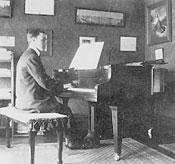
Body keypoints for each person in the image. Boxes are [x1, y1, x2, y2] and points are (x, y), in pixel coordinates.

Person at [15, 29, 76, 133]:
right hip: (32, 103)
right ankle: (72, 141)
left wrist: (56, 85)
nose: (46, 42)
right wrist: (64, 86)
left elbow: (42, 81)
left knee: (59, 105)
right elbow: (46, 83)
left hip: (25, 101)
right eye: (43, 40)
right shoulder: (31, 57)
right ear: (33, 40)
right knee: (65, 110)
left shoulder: (28, 55)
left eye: (46, 40)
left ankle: (67, 139)